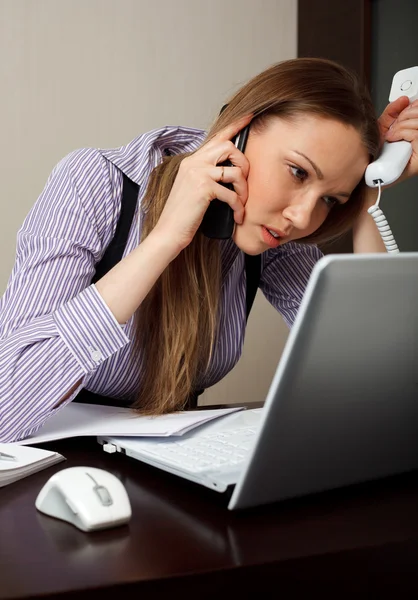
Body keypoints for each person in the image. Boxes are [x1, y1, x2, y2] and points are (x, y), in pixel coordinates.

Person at [1, 58, 417, 443]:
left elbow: (371, 378)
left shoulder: (269, 231)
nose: (303, 217)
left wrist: (366, 196)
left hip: (169, 469)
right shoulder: (95, 183)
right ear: (239, 132)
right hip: (59, 466)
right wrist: (164, 240)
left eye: (331, 199)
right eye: (297, 171)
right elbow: (6, 406)